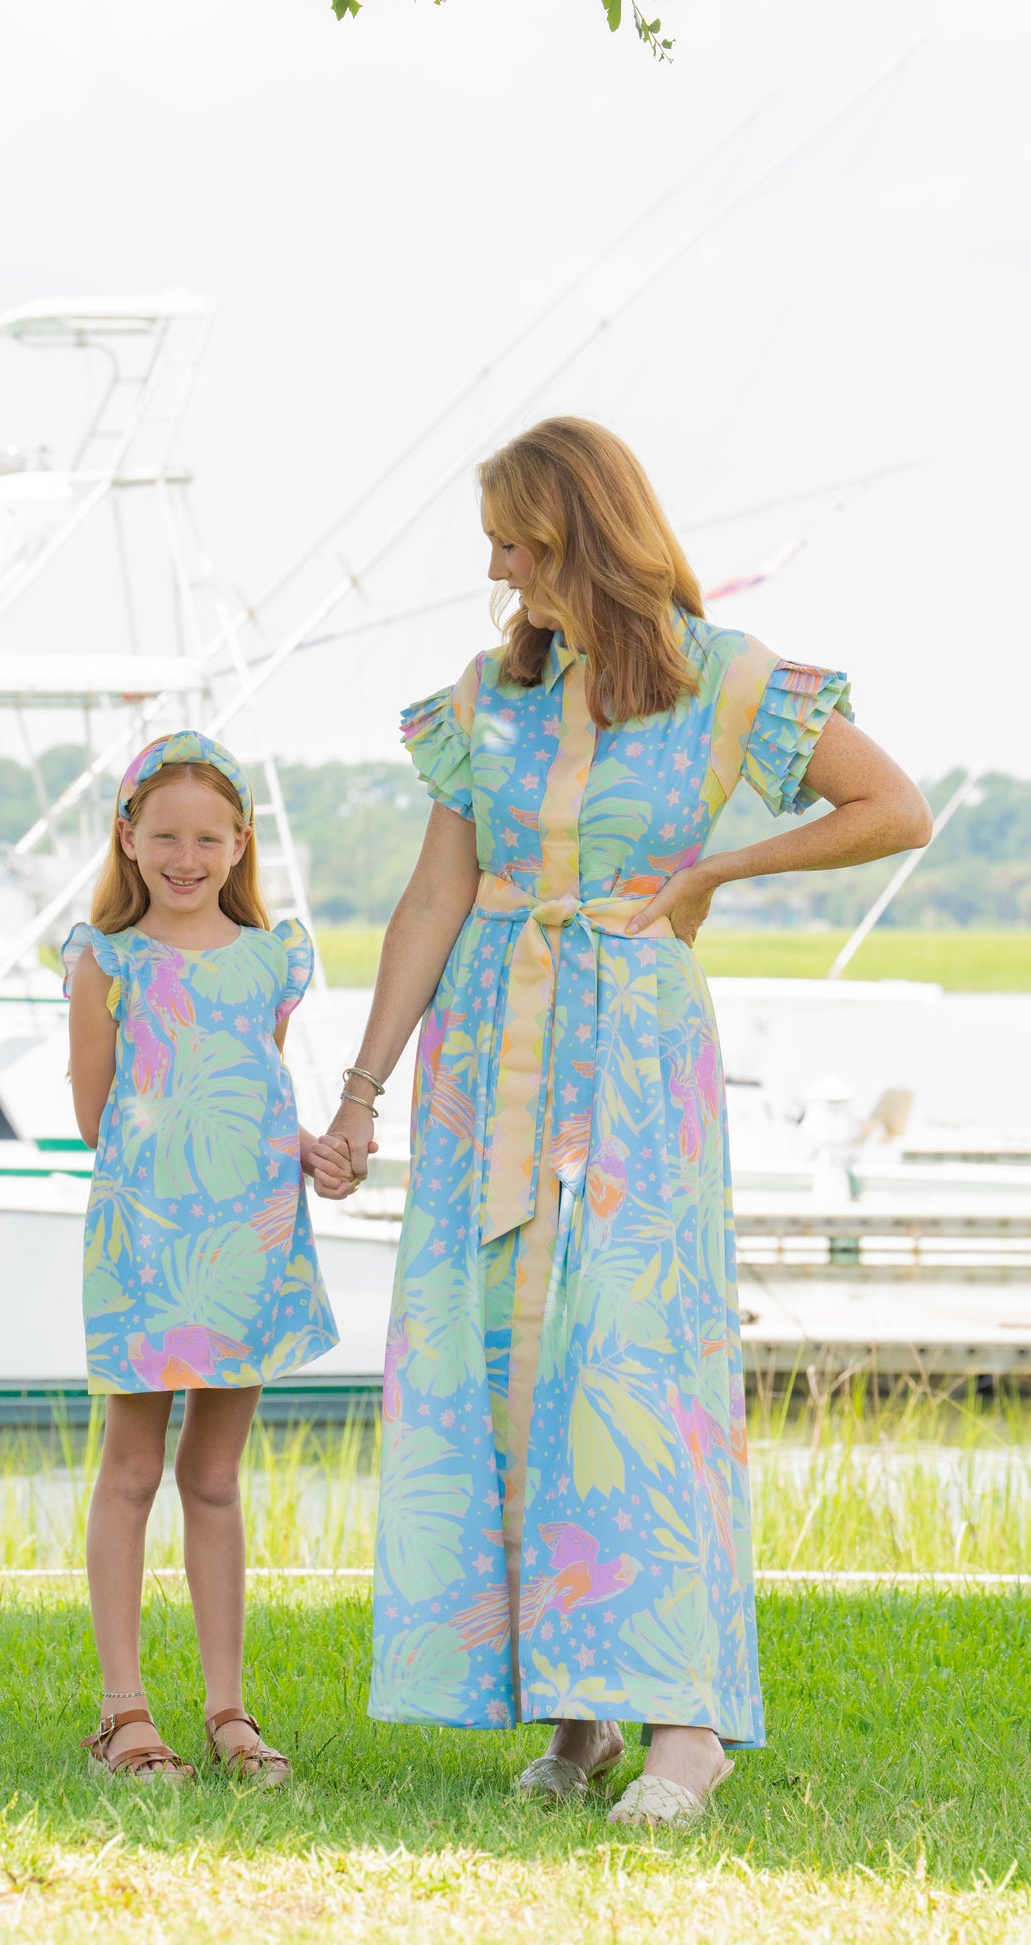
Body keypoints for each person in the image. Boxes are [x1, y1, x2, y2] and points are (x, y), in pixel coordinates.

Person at [311, 417, 930, 1828]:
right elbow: (434, 897)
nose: (494, 568)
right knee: (510, 1363)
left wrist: (715, 871)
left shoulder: (726, 679)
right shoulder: (490, 694)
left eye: (515, 542)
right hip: (486, 1059)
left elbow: (892, 808)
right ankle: (577, 1715)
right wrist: (359, 1091)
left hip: (633, 1058)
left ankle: (683, 1729)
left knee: (630, 1367)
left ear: (582, 533)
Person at [64, 730, 339, 1785]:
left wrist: (307, 1147)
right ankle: (123, 1713)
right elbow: (98, 1114)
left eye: (208, 838)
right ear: (128, 838)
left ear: (240, 843)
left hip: (247, 1248)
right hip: (146, 1245)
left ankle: (229, 1709)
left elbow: (251, 1091)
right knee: (133, 1467)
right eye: (166, 836)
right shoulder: (107, 960)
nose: (186, 857)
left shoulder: (273, 958)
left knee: (215, 1476)